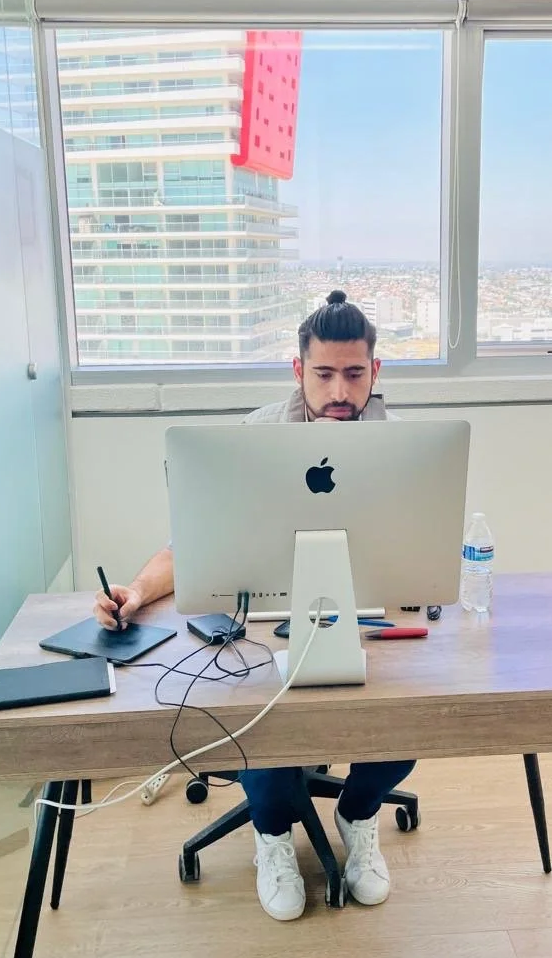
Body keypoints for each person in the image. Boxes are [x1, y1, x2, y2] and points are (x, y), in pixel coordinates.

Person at [94, 291, 415, 921]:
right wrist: (135, 593)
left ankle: (359, 813)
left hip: (367, 618)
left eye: (355, 374)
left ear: (376, 372)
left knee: (417, 705)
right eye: (324, 374)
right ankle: (271, 833)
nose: (340, 391)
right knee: (248, 704)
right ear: (299, 372)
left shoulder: (404, 446)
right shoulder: (256, 437)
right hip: (266, 621)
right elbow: (190, 545)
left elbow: (425, 543)